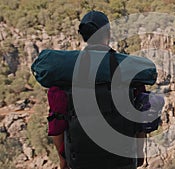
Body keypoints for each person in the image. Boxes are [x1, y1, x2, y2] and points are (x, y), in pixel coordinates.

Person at [50, 11, 146, 169]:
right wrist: (139, 153)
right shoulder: (128, 72)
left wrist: (63, 159)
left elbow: (56, 124)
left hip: (80, 162)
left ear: (84, 36)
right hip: (122, 162)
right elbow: (140, 118)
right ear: (108, 33)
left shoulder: (66, 75)